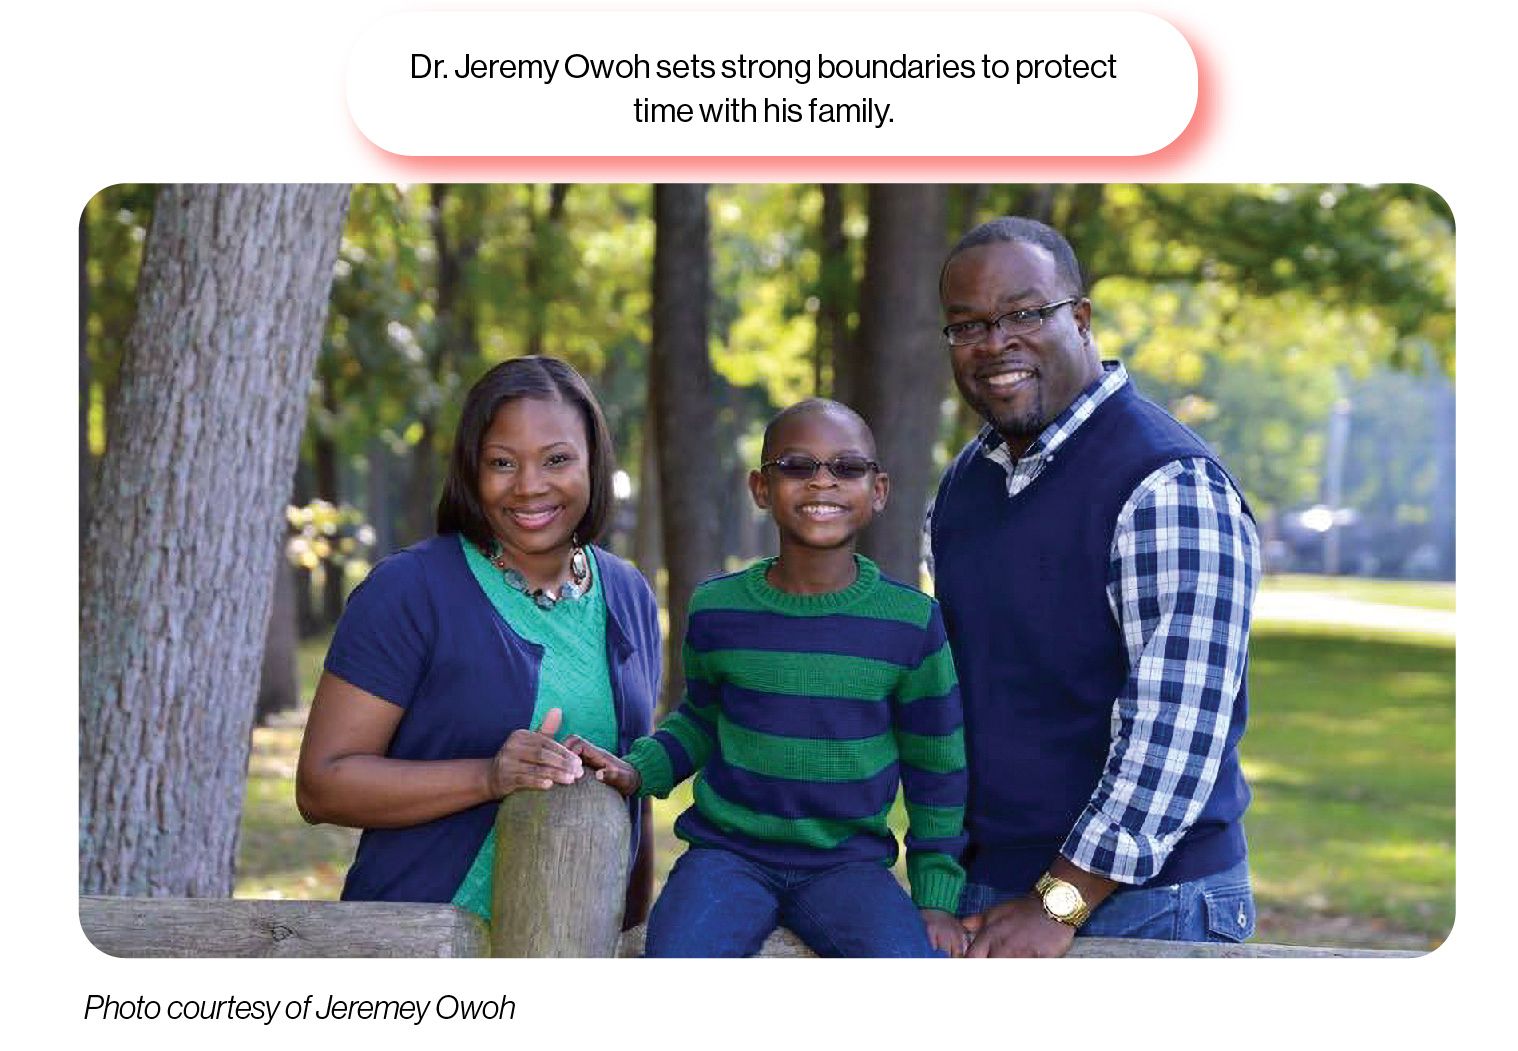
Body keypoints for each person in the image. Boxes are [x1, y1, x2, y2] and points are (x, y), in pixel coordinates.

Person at [929, 217, 1261, 957]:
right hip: (989, 891)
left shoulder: (1167, 483)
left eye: (1023, 313)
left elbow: (1174, 729)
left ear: (1080, 318)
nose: (995, 341)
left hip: (1147, 903)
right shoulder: (964, 486)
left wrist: (1060, 900)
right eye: (968, 324)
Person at [570, 399, 968, 958]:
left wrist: (936, 899)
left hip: (848, 865)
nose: (822, 483)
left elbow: (937, 771)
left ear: (878, 491)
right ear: (761, 489)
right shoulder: (718, 608)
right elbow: (700, 720)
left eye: (846, 468)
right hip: (728, 858)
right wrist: (639, 770)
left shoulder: (911, 623)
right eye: (798, 466)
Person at [296, 356, 660, 926]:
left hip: (577, 955)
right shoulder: (410, 591)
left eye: (557, 459)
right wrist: (488, 777)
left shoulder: (628, 594)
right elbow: (322, 785)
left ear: (595, 462)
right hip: (417, 954)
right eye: (501, 463)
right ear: (471, 469)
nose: (530, 486)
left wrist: (633, 940)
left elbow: (633, 795)